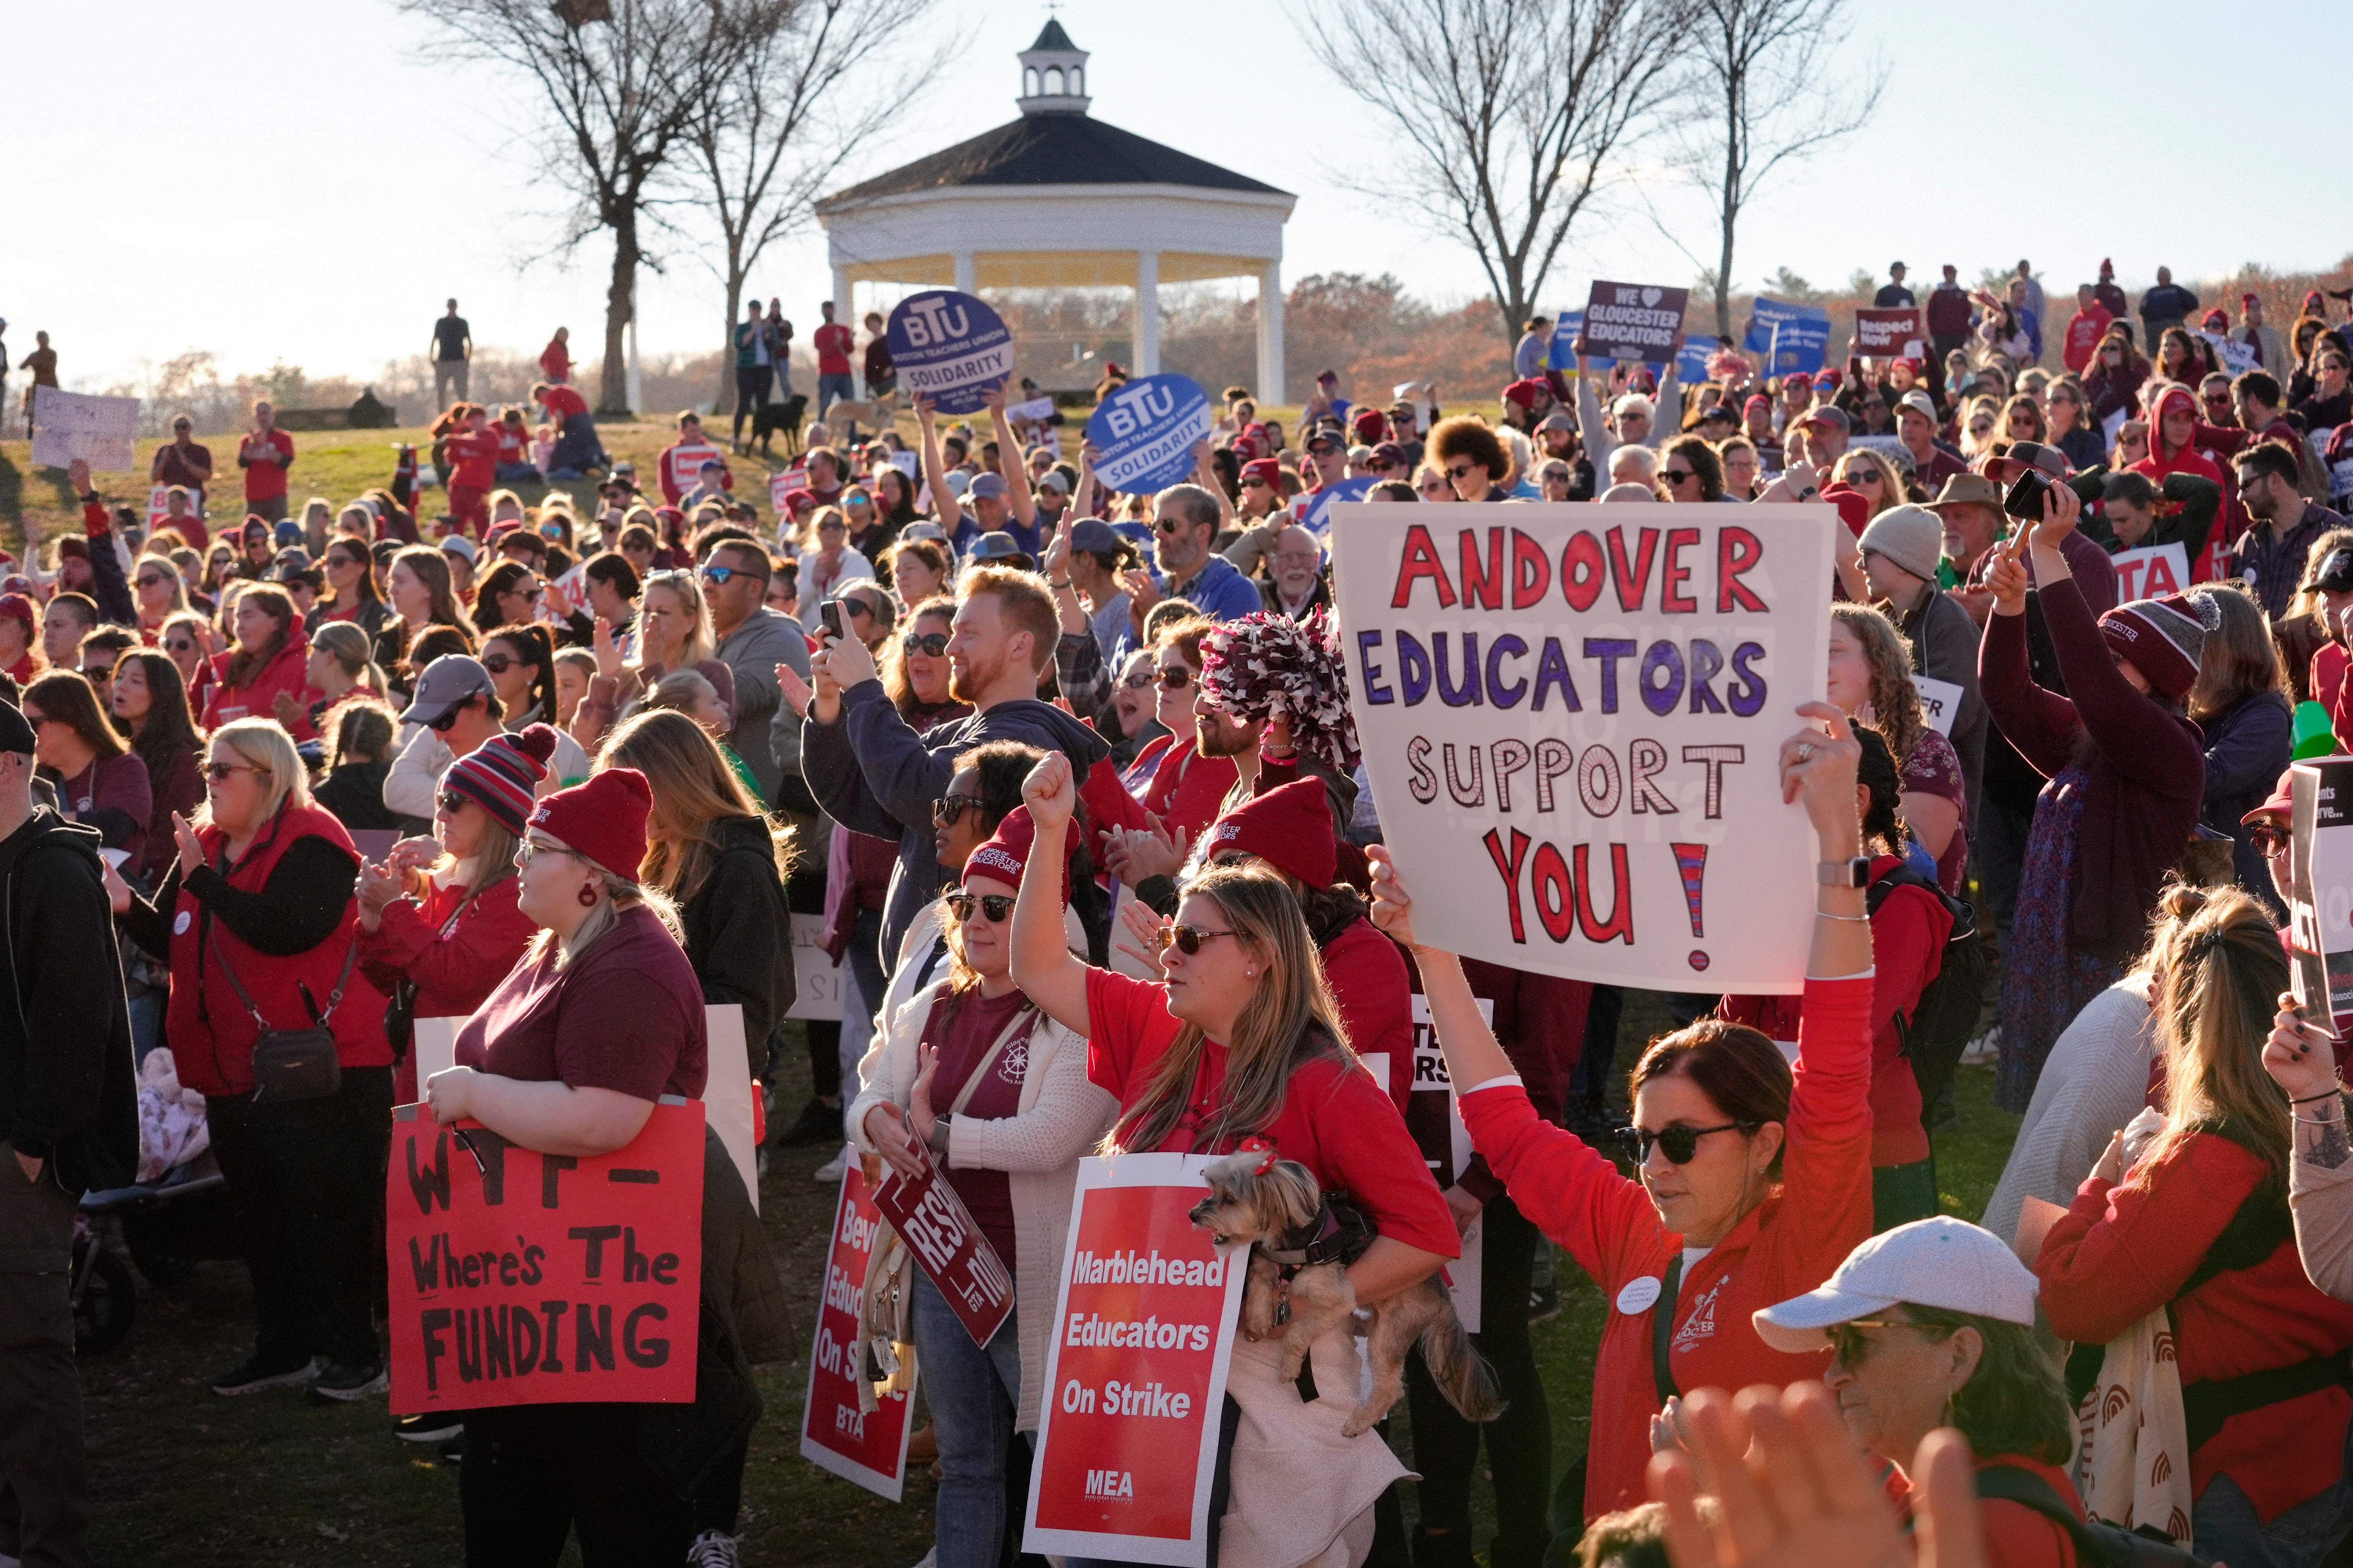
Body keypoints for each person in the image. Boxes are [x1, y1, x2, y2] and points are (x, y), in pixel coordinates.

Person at [1365, 701, 1875, 1523]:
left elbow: (1841, 1062)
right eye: (1641, 1141)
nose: (1654, 1166)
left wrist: (1838, 846)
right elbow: (1507, 1126)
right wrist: (1432, 952)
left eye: (1679, 1140)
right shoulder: (1640, 1230)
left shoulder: (1809, 1238)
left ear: (1764, 1140)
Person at [1009, 749, 1459, 1568]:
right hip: (1126, 1370)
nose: (1165, 954)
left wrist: (1314, 1301)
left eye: (1189, 938)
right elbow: (1038, 966)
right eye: (1172, 937)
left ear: (1257, 955)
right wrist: (1049, 833)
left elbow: (1427, 1231)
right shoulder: (1156, 1027)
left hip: (1245, 1400)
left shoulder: (1324, 1079)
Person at [422, 768, 787, 1565]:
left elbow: (605, 1116)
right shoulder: (558, 944)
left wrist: (477, 1095)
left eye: (538, 847)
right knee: (511, 1504)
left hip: (605, 1297)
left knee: (617, 1506)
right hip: (541, 1287)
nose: (517, 858)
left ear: (592, 874)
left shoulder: (631, 967)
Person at [2039, 885, 2353, 1566]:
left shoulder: (2205, 1160)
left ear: (2178, 1016)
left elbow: (2074, 1297)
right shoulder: (2332, 1121)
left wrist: (2100, 1181)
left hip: (2230, 1482)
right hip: (2322, 1449)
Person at [848, 804, 1116, 1568]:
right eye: (965, 904)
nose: (978, 919)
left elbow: (1050, 1137)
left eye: (1000, 906)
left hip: (1039, 1278)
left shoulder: (1079, 1013)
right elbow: (871, 1091)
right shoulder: (934, 1003)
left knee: (1057, 1465)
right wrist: (879, 1128)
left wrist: (934, 1132)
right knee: (966, 1465)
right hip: (948, 1271)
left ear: (1044, 918)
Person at [105, 718, 392, 1401]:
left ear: (269, 777)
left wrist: (203, 883)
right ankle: (283, 1348)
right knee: (264, 1219)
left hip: (315, 1067)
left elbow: (288, 929)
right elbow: (178, 940)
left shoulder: (313, 838)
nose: (210, 781)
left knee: (327, 1215)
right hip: (235, 1069)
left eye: (223, 770)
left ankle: (355, 1355)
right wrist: (126, 906)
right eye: (210, 768)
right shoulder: (204, 843)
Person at [1979, 488, 2205, 1111]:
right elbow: (2005, 695)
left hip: (2111, 965)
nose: (2098, 671)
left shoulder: (2169, 748)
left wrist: (2048, 553)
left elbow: (2091, 684)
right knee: (2053, 1118)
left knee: (2099, 1117)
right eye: (2102, 657)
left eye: (2117, 661)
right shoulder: (2090, 739)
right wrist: (2006, 607)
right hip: (2051, 952)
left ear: (2155, 682)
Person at [802, 566, 1108, 968]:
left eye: (969, 633)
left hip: (969, 985)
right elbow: (856, 793)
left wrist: (863, 685)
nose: (951, 648)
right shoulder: (954, 734)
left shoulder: (1027, 740)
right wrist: (828, 701)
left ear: (1020, 646)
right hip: (923, 988)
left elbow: (918, 790)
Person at [0, 693, 136, 1568]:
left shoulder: (52, 870)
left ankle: (50, 1547)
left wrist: (34, 1141)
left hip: (20, 1155)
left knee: (27, 1350)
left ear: (10, 766)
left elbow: (75, 1023)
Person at [1720, 724, 1954, 1232]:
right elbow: (1734, 1026)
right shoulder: (1787, 894)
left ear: (1857, 799)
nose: (1777, 809)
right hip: (1780, 1140)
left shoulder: (1903, 904)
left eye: (1795, 791)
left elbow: (1846, 1035)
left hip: (1874, 1157)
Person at [1754, 1217, 2084, 1567]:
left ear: (1958, 1356)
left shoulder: (1981, 1532)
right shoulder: (1973, 1498)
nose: (1832, 1375)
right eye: (1836, 1345)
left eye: (1861, 1342)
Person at [356, 726, 547, 1106]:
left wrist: (394, 908)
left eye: (455, 800)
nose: (440, 812)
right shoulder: (457, 884)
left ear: (496, 816)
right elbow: (391, 977)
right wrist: (375, 921)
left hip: (477, 1083)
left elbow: (452, 976)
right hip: (434, 1067)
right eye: (441, 798)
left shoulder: (517, 894)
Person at [601, 709, 796, 1059]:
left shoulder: (742, 867)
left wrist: (638, 1003)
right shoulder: (655, 858)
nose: (623, 806)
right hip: (654, 1069)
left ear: (679, 782)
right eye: (614, 791)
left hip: (710, 1084)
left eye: (636, 790)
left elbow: (751, 1004)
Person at [1858, 505, 1988, 832]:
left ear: (1902, 562)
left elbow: (1955, 717)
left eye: (1869, 554)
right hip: (1891, 797)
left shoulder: (1949, 623)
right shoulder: (1881, 622)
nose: (1860, 564)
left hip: (1939, 802)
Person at [2186, 586, 2292, 909]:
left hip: (2246, 902)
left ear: (2221, 651)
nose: (2181, 655)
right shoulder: (2196, 715)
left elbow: (2210, 775)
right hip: (2200, 891)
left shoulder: (2266, 714)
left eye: (2190, 642)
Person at [700, 536, 806, 807]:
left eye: (720, 575)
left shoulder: (780, 639)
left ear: (755, 587)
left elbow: (727, 705)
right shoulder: (713, 636)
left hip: (757, 809)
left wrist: (672, 654)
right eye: (705, 574)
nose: (707, 585)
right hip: (715, 801)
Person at [22, 671, 151, 870]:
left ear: (69, 722)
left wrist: (36, 821)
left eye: (33, 724)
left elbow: (116, 826)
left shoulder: (125, 767)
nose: (27, 735)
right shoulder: (34, 777)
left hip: (112, 894)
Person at [2235, 442, 2346, 620]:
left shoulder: (2332, 531)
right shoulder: (2246, 545)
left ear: (2274, 481)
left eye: (2246, 485)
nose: (2240, 497)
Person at [202, 584, 313, 739]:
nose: (239, 626)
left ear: (276, 622)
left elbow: (319, 744)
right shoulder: (230, 668)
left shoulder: (302, 668)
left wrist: (297, 722)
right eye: (236, 618)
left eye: (248, 616)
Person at [236, 401, 295, 526]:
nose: (263, 417)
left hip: (277, 497)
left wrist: (265, 445)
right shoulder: (247, 441)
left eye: (266, 413)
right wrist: (253, 444)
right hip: (254, 498)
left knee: (281, 531)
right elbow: (242, 463)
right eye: (259, 414)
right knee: (254, 534)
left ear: (272, 415)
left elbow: (285, 463)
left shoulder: (284, 438)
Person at [729, 301, 771, 451]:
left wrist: (767, 333)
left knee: (764, 407)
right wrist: (754, 330)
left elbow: (775, 345)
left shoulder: (766, 326)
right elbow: (740, 344)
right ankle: (736, 439)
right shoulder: (742, 328)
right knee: (743, 405)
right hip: (746, 370)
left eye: (759, 310)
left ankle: (764, 442)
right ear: (749, 311)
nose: (756, 313)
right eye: (754, 310)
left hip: (764, 371)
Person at [813, 299, 855, 418]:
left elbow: (850, 350)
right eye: (826, 309)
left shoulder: (844, 329)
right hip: (827, 375)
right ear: (822, 312)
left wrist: (850, 339)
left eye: (830, 309)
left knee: (850, 407)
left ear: (834, 311)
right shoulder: (819, 332)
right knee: (824, 407)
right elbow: (824, 352)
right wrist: (836, 343)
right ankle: (820, 433)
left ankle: (852, 435)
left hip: (845, 374)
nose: (828, 312)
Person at [429, 299, 472, 409]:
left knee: (462, 392)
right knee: (441, 392)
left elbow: (469, 342)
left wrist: (467, 359)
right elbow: (434, 341)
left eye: (454, 306)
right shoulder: (441, 323)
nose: (452, 307)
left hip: (459, 361)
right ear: (448, 307)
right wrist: (432, 358)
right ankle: (442, 418)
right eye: (451, 306)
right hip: (443, 361)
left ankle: (463, 418)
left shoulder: (462, 323)